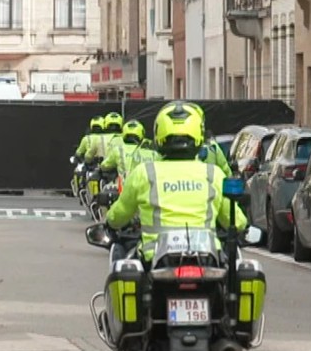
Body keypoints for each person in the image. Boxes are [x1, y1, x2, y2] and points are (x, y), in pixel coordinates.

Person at [105, 102, 247, 265]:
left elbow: (119, 215)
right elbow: (236, 221)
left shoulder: (144, 173)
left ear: (158, 135)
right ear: (199, 134)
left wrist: (110, 222)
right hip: (206, 259)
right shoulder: (213, 173)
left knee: (124, 267)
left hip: (155, 262)